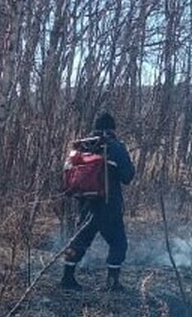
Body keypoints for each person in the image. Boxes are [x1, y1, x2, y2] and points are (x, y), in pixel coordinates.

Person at [61, 111, 135, 292]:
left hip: (85, 203)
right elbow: (127, 176)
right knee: (118, 242)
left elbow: (67, 174)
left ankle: (67, 277)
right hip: (109, 205)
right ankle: (112, 283)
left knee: (79, 241)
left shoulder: (80, 146)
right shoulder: (115, 147)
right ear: (112, 128)